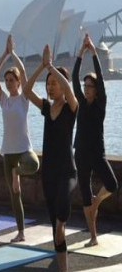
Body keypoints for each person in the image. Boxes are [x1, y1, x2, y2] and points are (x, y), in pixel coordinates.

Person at [23, 45, 78, 272]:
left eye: (54, 83)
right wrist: (43, 67)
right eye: (49, 83)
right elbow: (27, 90)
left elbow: (69, 89)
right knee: (56, 225)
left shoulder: (72, 107)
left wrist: (52, 68)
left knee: (62, 216)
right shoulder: (47, 108)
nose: (51, 86)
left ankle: (60, 233)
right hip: (48, 174)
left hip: (67, 172)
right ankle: (62, 266)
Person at [0, 35, 40, 242]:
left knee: (34, 164)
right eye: (7, 80)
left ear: (19, 82)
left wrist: (15, 55)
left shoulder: (24, 99)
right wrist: (5, 54)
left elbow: (26, 73)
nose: (9, 83)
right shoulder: (4, 100)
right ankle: (20, 232)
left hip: (23, 149)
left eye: (12, 80)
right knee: (15, 195)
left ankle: (16, 173)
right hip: (8, 151)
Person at [73, 34, 118, 247]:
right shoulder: (81, 103)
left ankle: (96, 203)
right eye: (85, 86)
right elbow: (73, 78)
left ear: (96, 89)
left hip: (97, 153)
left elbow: (100, 75)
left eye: (90, 86)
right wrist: (81, 53)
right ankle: (92, 236)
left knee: (112, 184)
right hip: (81, 153)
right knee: (84, 195)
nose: (86, 89)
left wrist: (93, 53)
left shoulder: (101, 105)